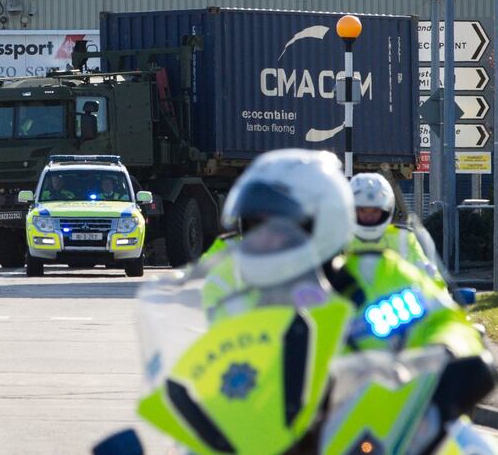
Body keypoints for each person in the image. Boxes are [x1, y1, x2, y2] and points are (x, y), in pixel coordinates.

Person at [201, 149, 483, 357]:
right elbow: (198, 333)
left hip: (370, 410)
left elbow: (443, 317)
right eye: (256, 227)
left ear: (322, 222)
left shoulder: (380, 271)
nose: (272, 239)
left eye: (289, 226)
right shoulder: (236, 288)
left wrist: (451, 347)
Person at [349, 173, 446, 288]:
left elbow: (428, 274)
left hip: (398, 301)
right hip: (348, 303)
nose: (369, 216)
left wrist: (439, 292)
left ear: (387, 209)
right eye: (363, 210)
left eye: (375, 211)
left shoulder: (403, 237)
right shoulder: (338, 238)